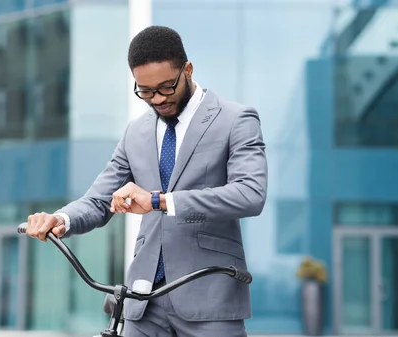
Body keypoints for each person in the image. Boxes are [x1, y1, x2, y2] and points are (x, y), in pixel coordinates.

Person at [24, 25, 268, 337]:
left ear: (188, 70)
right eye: (145, 91)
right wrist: (60, 218)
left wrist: (159, 201)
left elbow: (250, 194)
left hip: (208, 296)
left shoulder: (235, 119)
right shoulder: (135, 132)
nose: (157, 99)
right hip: (143, 302)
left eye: (166, 87)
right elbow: (99, 200)